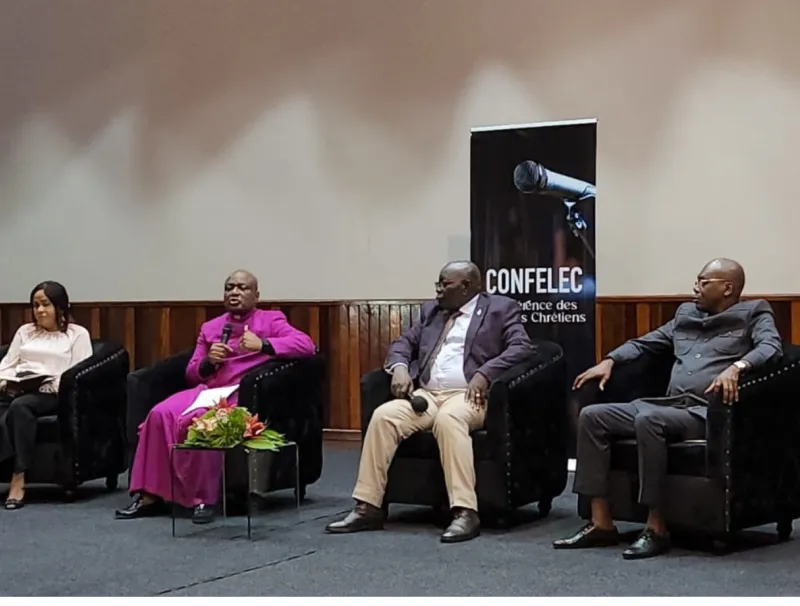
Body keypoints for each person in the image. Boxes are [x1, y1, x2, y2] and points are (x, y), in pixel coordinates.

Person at [553, 258, 782, 559]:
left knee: (650, 420)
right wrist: (610, 360)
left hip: (705, 413)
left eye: (703, 281)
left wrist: (738, 367)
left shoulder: (754, 312)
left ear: (727, 287)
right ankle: (601, 523)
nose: (694, 287)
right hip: (669, 405)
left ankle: (656, 526)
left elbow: (771, 347)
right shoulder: (685, 315)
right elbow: (646, 343)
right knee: (594, 417)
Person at [326, 261, 535, 543]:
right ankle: (368, 507)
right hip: (425, 395)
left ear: (469, 286)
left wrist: (486, 373)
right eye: (438, 283)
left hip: (468, 397)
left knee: (450, 421)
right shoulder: (430, 312)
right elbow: (402, 344)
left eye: (445, 284)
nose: (438, 290)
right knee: (384, 416)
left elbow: (522, 347)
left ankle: (465, 512)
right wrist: (399, 367)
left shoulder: (501, 308)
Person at [115, 270, 316, 523]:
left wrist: (263, 345)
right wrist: (209, 362)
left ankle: (202, 500)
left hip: (241, 393)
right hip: (209, 390)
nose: (234, 293)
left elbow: (306, 345)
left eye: (242, 288)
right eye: (229, 287)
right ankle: (150, 496)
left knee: (200, 422)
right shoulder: (211, 328)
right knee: (159, 414)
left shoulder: (271, 320)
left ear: (256, 295)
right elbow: (191, 373)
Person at [0, 281, 93, 509]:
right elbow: (7, 363)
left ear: (60, 307)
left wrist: (51, 382)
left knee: (21, 408)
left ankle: (18, 478)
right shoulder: (25, 332)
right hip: (17, 389)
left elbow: (79, 372)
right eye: (35, 305)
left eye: (45, 305)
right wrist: (6, 380)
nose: (40, 310)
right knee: (13, 409)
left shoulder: (76, 335)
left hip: (52, 394)